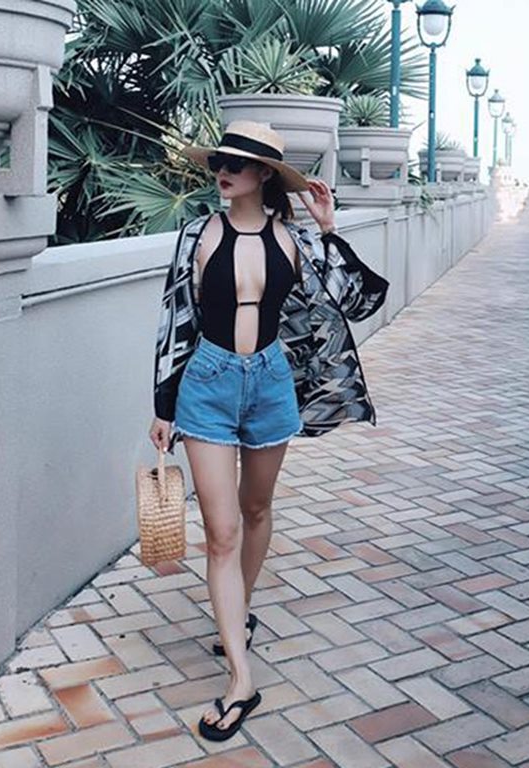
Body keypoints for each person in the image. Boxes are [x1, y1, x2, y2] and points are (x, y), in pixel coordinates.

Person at [149, 121, 388, 741]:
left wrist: (329, 229)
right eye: (218, 162)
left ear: (263, 174)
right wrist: (163, 405)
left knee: (256, 510)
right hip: (207, 384)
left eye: (236, 164)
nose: (222, 172)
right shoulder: (197, 234)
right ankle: (240, 679)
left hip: (271, 383)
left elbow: (360, 301)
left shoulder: (295, 239)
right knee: (221, 533)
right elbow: (175, 319)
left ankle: (240, 611)